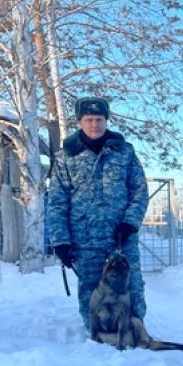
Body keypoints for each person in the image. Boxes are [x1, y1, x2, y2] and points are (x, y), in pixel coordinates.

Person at [47, 96, 150, 330]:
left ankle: (135, 327)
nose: (95, 125)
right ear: (80, 122)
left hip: (121, 237)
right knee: (90, 287)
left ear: (107, 120)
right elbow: (57, 202)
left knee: (132, 283)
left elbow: (140, 191)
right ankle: (95, 333)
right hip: (85, 238)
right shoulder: (65, 157)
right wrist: (60, 241)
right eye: (89, 119)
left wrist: (129, 223)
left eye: (99, 119)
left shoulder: (125, 152)